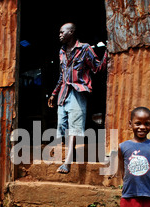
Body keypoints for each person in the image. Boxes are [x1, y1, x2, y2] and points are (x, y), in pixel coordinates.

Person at [48, 22, 108, 174]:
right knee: (62, 126)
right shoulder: (61, 51)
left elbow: (97, 68)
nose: (60, 34)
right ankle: (71, 153)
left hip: (77, 91)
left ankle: (67, 162)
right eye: (59, 32)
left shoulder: (85, 49)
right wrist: (54, 93)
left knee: (74, 126)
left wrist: (108, 52)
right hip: (63, 92)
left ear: (72, 32)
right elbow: (62, 75)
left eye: (63, 32)